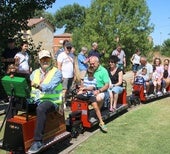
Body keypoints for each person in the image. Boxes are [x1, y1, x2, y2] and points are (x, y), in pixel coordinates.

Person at [28, 50, 63, 154]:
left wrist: (39, 86)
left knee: (41, 108)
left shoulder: (56, 72)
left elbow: (51, 86)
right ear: (39, 61)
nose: (45, 61)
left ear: (51, 59)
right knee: (14, 103)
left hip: (51, 101)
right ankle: (12, 136)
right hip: (35, 100)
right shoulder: (34, 73)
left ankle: (38, 141)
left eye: (47, 58)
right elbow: (29, 85)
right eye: (43, 59)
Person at [77, 67, 107, 132]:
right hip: (85, 95)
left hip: (91, 95)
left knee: (96, 107)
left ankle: (101, 122)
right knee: (76, 99)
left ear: (93, 73)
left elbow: (91, 87)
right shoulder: (85, 79)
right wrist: (80, 89)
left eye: (91, 73)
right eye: (89, 73)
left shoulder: (94, 80)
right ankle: (80, 116)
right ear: (87, 73)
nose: (90, 75)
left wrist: (85, 88)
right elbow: (82, 87)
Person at [89, 56, 110, 130]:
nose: (91, 65)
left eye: (93, 64)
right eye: (90, 64)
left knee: (97, 98)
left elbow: (107, 85)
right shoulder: (90, 70)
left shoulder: (103, 71)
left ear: (98, 63)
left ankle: (98, 111)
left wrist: (99, 91)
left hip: (102, 90)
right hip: (91, 89)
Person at [57, 42, 75, 108]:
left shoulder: (72, 55)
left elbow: (73, 65)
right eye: (68, 48)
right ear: (65, 48)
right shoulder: (61, 55)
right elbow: (59, 66)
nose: (69, 49)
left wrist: (74, 74)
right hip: (64, 76)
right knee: (64, 90)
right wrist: (60, 76)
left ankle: (65, 101)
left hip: (71, 75)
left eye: (70, 48)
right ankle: (62, 103)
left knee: (68, 90)